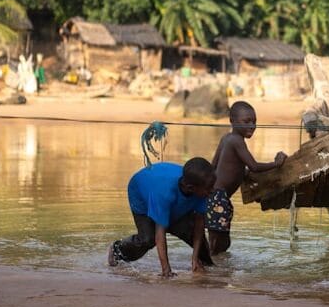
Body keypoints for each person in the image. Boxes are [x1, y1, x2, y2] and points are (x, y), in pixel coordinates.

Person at [108, 157, 216, 277]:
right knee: (148, 238)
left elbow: (199, 225)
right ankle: (117, 250)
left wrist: (195, 258)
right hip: (141, 192)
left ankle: (206, 267)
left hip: (171, 197)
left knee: (192, 235)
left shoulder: (202, 189)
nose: (212, 191)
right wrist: (166, 270)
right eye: (209, 189)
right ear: (191, 188)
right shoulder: (165, 193)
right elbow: (160, 235)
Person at [207, 101, 287, 255]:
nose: (252, 126)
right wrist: (276, 164)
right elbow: (254, 166)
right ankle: (209, 271)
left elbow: (214, 166)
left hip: (214, 195)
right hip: (219, 198)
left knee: (220, 241)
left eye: (254, 122)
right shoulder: (237, 141)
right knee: (218, 243)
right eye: (246, 121)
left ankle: (212, 269)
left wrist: (241, 173)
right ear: (232, 121)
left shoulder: (226, 138)